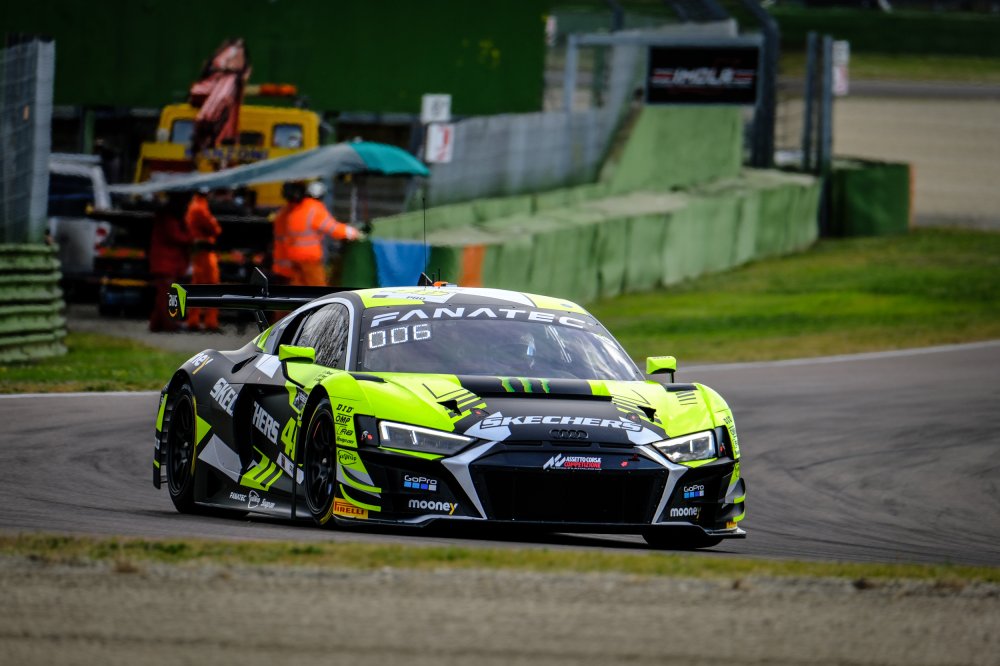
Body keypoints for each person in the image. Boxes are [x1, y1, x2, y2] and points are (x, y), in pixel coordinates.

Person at [271, 180, 364, 286]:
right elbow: (333, 228)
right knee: (318, 288)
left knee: (298, 287)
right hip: (309, 258)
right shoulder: (313, 207)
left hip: (291, 259)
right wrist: (353, 232)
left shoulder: (286, 210)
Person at [148, 192, 192, 332]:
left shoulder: (167, 215)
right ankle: (170, 324)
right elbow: (176, 237)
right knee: (169, 296)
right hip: (166, 264)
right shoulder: (169, 217)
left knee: (163, 296)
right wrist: (191, 236)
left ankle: (157, 324)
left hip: (167, 263)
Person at [185, 188, 223, 331]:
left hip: (198, 252)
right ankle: (210, 322)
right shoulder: (200, 208)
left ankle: (193, 321)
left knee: (196, 287)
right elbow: (215, 229)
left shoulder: (194, 206)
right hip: (205, 253)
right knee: (212, 287)